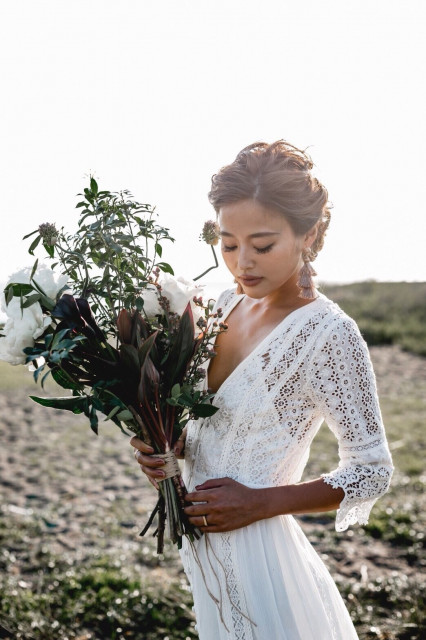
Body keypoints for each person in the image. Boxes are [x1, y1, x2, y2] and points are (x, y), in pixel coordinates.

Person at [131, 140, 394, 640]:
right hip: (202, 555)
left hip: (264, 562)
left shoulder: (330, 336)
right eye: (228, 244)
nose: (242, 263)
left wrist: (261, 502)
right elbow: (217, 423)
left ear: (308, 235)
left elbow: (372, 471)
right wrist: (167, 445)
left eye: (263, 244)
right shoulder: (223, 306)